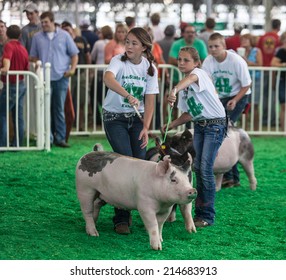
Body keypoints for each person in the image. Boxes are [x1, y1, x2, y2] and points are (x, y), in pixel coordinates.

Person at [102, 27, 159, 234]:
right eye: (127, 42)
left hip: (137, 120)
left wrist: (146, 127)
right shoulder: (118, 61)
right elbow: (108, 79)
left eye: (134, 43)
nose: (128, 46)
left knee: (141, 163)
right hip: (114, 117)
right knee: (125, 162)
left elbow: (150, 99)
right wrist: (127, 95)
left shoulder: (150, 67)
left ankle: (145, 209)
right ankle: (121, 218)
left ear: (144, 47)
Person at [163, 46, 226, 227]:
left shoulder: (199, 74)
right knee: (198, 167)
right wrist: (171, 125)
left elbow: (191, 78)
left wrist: (174, 89)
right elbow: (190, 113)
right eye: (179, 59)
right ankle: (200, 214)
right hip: (200, 125)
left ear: (196, 63)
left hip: (215, 124)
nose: (181, 63)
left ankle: (207, 215)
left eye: (186, 60)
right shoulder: (184, 87)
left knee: (204, 168)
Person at [202, 32, 252, 188]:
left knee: (226, 130)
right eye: (210, 46)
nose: (213, 49)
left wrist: (235, 100)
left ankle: (231, 176)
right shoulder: (208, 61)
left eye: (216, 46)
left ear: (224, 46)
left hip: (239, 96)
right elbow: (208, 83)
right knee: (221, 131)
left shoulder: (236, 60)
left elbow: (246, 85)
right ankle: (230, 176)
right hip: (220, 98)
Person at [30, 11, 79, 148]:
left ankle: (61, 138)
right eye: (42, 22)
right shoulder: (37, 37)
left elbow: (74, 54)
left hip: (61, 77)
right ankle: (48, 137)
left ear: (52, 21)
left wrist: (72, 69)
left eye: (46, 22)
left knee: (58, 109)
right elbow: (32, 56)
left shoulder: (65, 36)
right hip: (44, 79)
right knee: (45, 108)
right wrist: (37, 62)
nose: (43, 24)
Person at [0, 25, 29, 147]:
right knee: (18, 116)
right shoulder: (23, 49)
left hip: (11, 85)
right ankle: (18, 143)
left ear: (7, 34)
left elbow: (6, 63)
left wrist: (4, 68)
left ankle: (3, 143)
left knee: (2, 114)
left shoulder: (8, 46)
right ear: (20, 36)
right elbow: (26, 68)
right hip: (21, 84)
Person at [61, 21, 91, 131]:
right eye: (63, 30)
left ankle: (81, 126)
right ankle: (67, 126)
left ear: (72, 29)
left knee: (82, 101)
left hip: (82, 73)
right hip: (66, 75)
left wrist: (89, 70)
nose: (66, 32)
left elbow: (88, 55)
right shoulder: (61, 41)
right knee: (66, 102)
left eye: (67, 29)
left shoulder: (81, 39)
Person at [257, 19, 281, 125]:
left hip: (263, 69)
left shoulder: (262, 37)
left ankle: (264, 119)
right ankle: (272, 119)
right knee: (273, 95)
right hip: (274, 70)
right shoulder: (278, 39)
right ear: (279, 27)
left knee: (265, 95)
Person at [90, 25, 113, 124]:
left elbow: (92, 56)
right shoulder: (113, 44)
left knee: (94, 96)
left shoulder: (98, 43)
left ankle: (97, 119)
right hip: (111, 74)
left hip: (99, 72)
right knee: (109, 97)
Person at [239, 33, 263, 131]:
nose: (243, 41)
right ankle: (244, 129)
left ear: (251, 41)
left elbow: (260, 65)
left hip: (255, 80)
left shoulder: (257, 51)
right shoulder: (239, 51)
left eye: (246, 40)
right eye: (242, 40)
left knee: (255, 105)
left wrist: (246, 61)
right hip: (242, 81)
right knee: (243, 105)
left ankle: (256, 130)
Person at [270, 31, 286, 131]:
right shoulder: (280, 51)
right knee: (283, 105)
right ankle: (283, 129)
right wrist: (283, 65)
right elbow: (273, 63)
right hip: (283, 80)